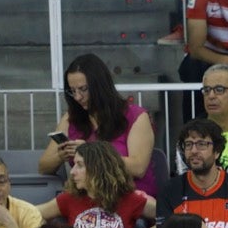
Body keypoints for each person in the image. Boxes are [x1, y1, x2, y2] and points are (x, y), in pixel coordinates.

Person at [38, 52, 157, 198]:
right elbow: (43, 166)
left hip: (128, 197)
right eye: (72, 91)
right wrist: (61, 155)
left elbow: (138, 168)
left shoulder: (135, 116)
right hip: (86, 198)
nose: (77, 97)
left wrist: (91, 153)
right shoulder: (71, 118)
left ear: (100, 86)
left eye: (83, 89)